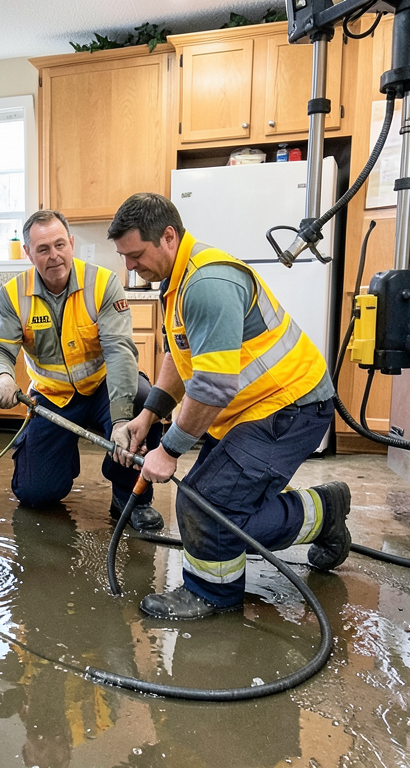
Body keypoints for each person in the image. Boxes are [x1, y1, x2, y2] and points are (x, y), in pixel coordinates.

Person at [106, 192, 352, 620]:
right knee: (211, 505)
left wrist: (168, 451)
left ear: (168, 236)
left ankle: (211, 595)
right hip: (255, 409)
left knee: (207, 506)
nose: (129, 266)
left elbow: (213, 386)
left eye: (135, 254)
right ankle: (325, 510)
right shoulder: (178, 279)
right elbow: (179, 359)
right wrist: (148, 417)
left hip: (290, 407)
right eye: (124, 257)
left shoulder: (207, 283)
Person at [0, 210, 163, 531]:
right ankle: (62, 456)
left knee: (142, 400)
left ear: (72, 243)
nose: (54, 256)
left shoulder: (102, 284)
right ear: (28, 253)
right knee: (35, 494)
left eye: (60, 245)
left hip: (104, 388)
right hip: (53, 398)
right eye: (43, 249)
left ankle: (130, 497)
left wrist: (121, 420)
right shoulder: (12, 294)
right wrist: (3, 376)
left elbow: (120, 353)